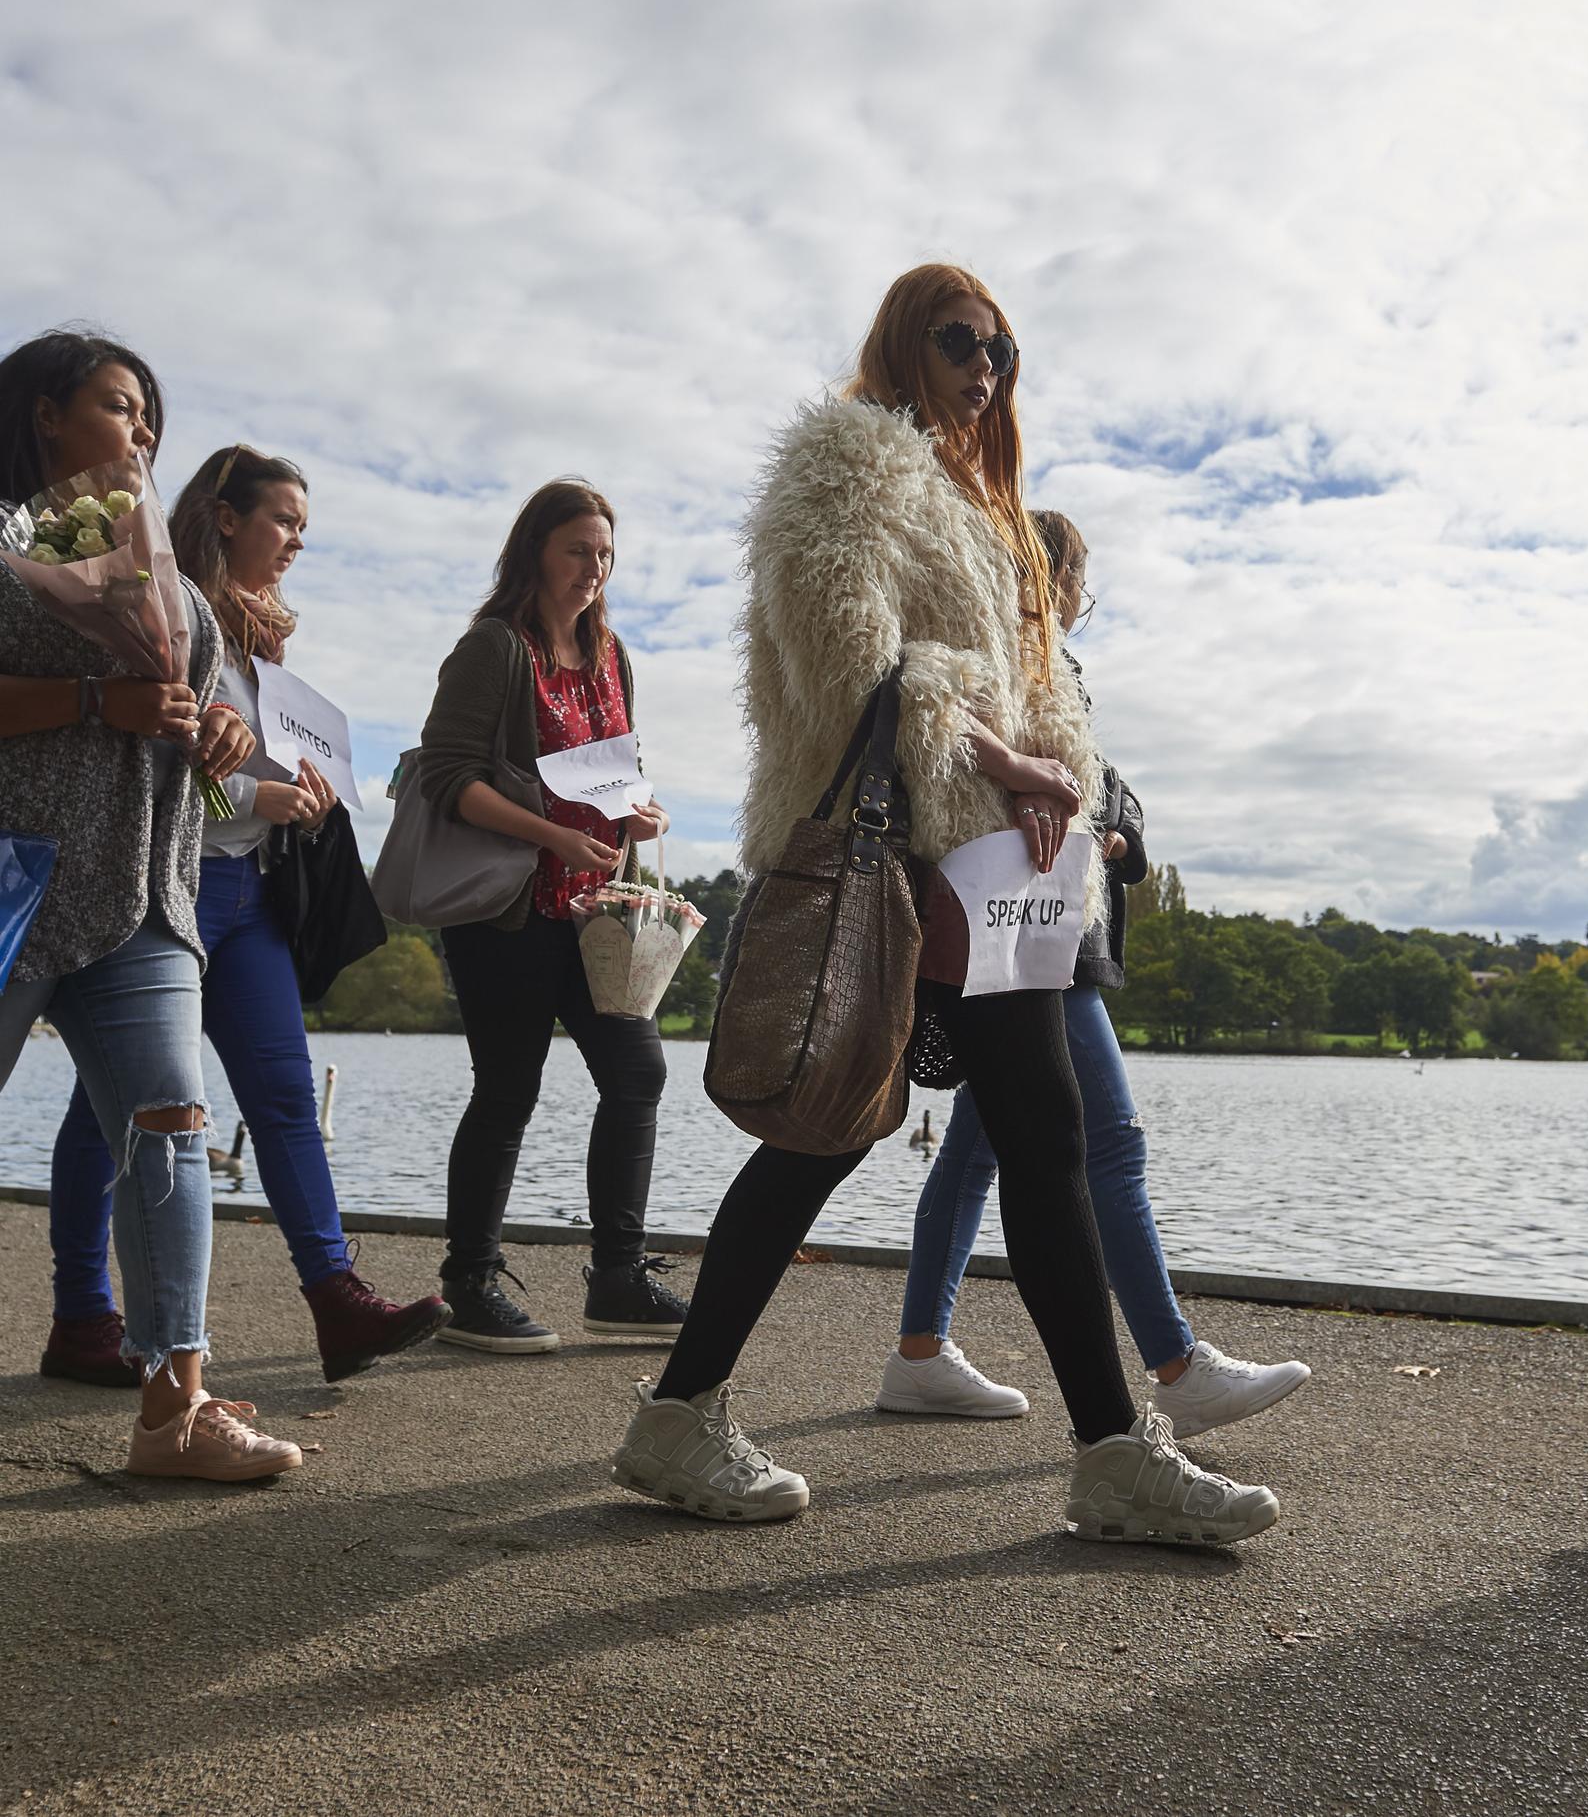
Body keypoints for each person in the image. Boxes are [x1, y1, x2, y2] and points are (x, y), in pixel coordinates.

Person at [611, 263, 1282, 1545]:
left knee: (1022, 1136)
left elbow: (1041, 695)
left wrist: (1056, 781)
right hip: (897, 858)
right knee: (849, 1129)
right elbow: (843, 655)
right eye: (958, 340)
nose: (983, 368)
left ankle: (1101, 1451)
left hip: (985, 871)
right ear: (902, 344)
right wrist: (994, 756)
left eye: (1003, 352)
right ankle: (1099, 1455)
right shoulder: (852, 460)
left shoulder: (988, 507)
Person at [879, 511, 1312, 1434]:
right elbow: (967, 747)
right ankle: (1177, 1365)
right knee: (1110, 1141)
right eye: (1076, 577)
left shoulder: (1055, 673)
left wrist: (1110, 832)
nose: (1079, 596)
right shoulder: (1007, 658)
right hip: (1027, 919)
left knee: (974, 1151)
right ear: (1053, 578)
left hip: (1035, 917)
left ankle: (919, 1353)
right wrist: (1043, 797)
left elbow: (1109, 789)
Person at [43, 445, 448, 1386]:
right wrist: (247, 801)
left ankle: (336, 1299)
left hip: (250, 899)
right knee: (105, 1116)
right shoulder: (154, 609)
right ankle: (80, 1318)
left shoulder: (266, 640)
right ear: (226, 517)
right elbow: (140, 755)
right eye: (284, 522)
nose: (297, 542)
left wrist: (301, 794)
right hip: (157, 894)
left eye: (305, 529)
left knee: (283, 1101)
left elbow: (246, 759)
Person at [0, 328, 300, 1479]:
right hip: (16, 888)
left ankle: (177, 1406)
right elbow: (107, 706)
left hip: (144, 899)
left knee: (172, 1127)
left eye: (151, 416)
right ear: (43, 414)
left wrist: (221, 740)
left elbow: (191, 739)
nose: (145, 432)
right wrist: (92, 698)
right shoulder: (7, 546)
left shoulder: (168, 579)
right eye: (123, 407)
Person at [414, 478, 682, 1351]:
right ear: (535, 550)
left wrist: (642, 815)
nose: (594, 569)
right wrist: (551, 841)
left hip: (595, 915)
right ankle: (468, 1285)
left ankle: (617, 1281)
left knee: (637, 1075)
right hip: (507, 910)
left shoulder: (613, 656)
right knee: (508, 1092)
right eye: (579, 550)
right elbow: (449, 781)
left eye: (605, 554)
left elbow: (616, 772)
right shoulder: (494, 649)